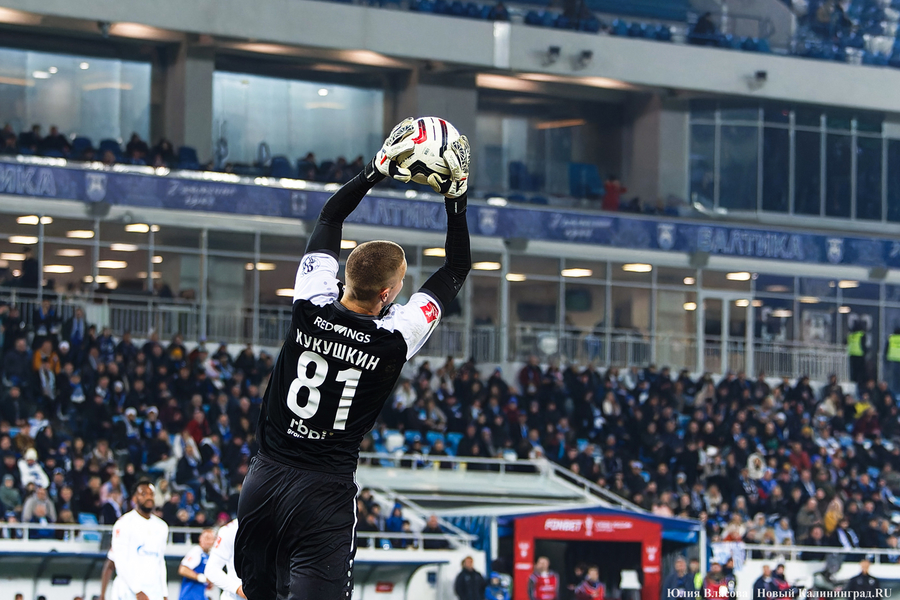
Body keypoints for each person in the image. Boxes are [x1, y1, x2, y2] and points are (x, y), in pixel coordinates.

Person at [234, 117, 470, 600]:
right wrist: (456, 196)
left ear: (345, 277)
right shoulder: (395, 336)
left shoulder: (310, 302)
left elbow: (329, 219)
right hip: (323, 492)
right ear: (388, 292)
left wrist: (376, 169)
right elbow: (456, 267)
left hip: (264, 478)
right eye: (402, 282)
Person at [109, 479, 169, 600]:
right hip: (130, 591)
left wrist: (164, 592)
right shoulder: (124, 523)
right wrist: (137, 590)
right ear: (135, 498)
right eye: (143, 494)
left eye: (151, 494)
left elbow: (160, 561)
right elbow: (120, 560)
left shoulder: (162, 526)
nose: (149, 497)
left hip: (154, 591)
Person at [205, 519, 246, 600]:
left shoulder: (275, 524)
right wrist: (238, 589)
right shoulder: (231, 529)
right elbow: (211, 569)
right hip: (235, 597)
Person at [178, 528, 216, 600]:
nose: (208, 541)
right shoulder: (197, 552)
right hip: (189, 596)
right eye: (206, 538)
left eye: (211, 539)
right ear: (200, 539)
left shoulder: (208, 555)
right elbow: (183, 569)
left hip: (200, 595)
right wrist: (200, 577)